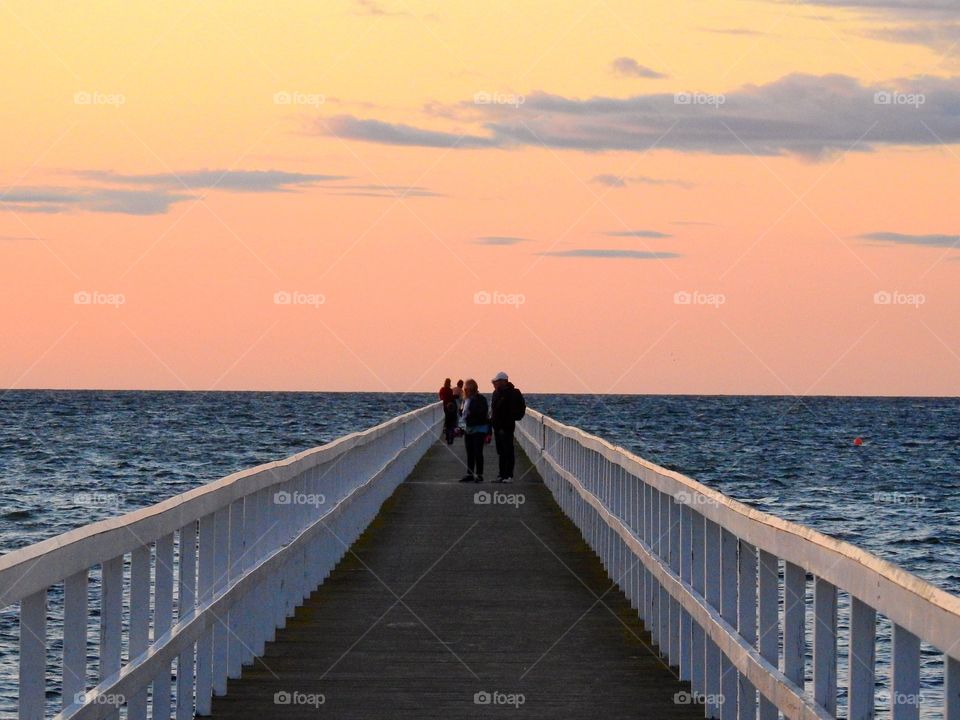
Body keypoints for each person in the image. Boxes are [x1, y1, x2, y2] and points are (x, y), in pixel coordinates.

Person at [490, 371, 525, 483]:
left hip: (507, 425)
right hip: (497, 426)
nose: (495, 383)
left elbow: (521, 406)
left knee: (508, 450)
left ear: (504, 381)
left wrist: (515, 417)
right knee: (501, 451)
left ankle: (509, 475)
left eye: (497, 381)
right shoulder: (496, 393)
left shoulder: (513, 393)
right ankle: (502, 474)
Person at [459, 378, 489, 483]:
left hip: (479, 429)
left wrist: (471, 414)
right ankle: (470, 474)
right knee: (470, 452)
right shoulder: (465, 400)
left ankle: (479, 474)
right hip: (468, 429)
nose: (466, 391)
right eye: (465, 389)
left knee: (478, 452)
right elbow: (462, 414)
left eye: (467, 389)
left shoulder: (481, 399)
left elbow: (483, 413)